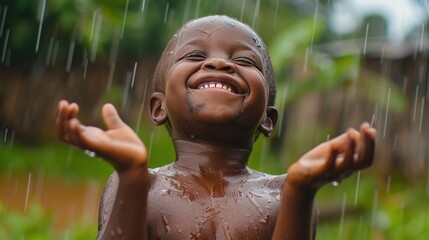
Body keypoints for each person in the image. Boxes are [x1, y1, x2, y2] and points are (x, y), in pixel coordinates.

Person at [56, 15, 376, 240]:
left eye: (247, 61)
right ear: (159, 107)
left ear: (268, 119)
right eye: (195, 54)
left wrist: (301, 192)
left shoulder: (283, 194)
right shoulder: (141, 184)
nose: (221, 63)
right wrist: (132, 176)